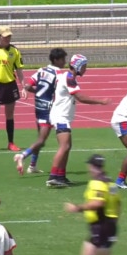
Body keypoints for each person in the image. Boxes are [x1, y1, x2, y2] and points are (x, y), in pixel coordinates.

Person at [63, 154, 127, 255]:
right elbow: (118, 203)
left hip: (103, 226)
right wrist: (115, 221)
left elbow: (98, 202)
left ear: (92, 166)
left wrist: (77, 208)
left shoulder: (97, 183)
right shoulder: (110, 182)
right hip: (103, 226)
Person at [46, 54, 110, 187]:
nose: (86, 68)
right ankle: (53, 177)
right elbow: (80, 97)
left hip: (62, 116)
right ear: (77, 66)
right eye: (84, 66)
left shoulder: (68, 77)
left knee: (67, 147)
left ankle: (61, 176)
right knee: (64, 146)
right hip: (61, 116)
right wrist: (101, 101)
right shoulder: (69, 78)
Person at [13, 48, 68, 175]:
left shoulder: (41, 70)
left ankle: (32, 166)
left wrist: (31, 90)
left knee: (40, 139)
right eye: (62, 59)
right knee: (42, 140)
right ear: (56, 60)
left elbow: (29, 85)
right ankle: (22, 156)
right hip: (47, 109)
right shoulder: (59, 74)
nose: (64, 62)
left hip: (38, 107)